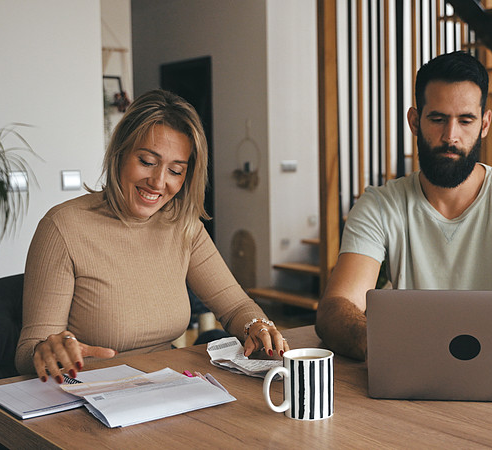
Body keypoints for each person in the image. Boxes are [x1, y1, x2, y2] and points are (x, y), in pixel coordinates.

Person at [315, 51, 492, 402]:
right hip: (412, 388)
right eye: (437, 119)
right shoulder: (379, 204)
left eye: (465, 120)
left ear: (484, 124)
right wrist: (376, 343)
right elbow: (335, 306)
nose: (451, 136)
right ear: (415, 121)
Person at [15, 89, 288, 382]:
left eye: (175, 170)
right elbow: (27, 353)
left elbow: (235, 306)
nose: (158, 182)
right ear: (119, 154)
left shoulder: (183, 225)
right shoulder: (63, 227)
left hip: (166, 388)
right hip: (87, 392)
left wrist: (257, 326)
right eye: (146, 161)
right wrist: (49, 351)